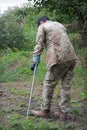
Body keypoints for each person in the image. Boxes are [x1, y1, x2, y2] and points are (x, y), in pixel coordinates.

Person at [30, 16, 77, 121]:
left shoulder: (42, 26)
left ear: (41, 22)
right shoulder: (59, 24)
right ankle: (63, 113)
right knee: (66, 86)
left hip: (58, 58)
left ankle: (45, 111)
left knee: (48, 84)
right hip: (71, 57)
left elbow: (39, 43)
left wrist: (35, 58)